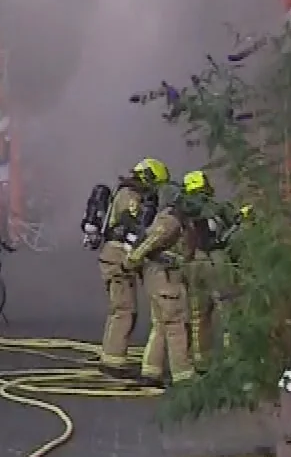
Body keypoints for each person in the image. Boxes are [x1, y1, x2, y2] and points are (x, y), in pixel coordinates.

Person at [95, 157, 169, 377]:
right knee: (124, 310)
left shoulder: (127, 193)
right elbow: (133, 225)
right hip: (117, 255)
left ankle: (112, 358)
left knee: (123, 309)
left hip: (116, 255)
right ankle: (112, 363)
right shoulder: (129, 196)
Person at [125, 172, 195, 387]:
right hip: (165, 277)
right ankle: (183, 376)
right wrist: (132, 260)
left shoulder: (173, 218)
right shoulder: (172, 220)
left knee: (161, 325)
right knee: (176, 324)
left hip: (160, 276)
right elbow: (151, 240)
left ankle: (151, 371)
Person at [176, 170, 237, 365]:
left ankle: (202, 361)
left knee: (198, 314)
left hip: (194, 262)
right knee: (228, 311)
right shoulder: (218, 207)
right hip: (218, 259)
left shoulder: (182, 211)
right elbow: (233, 228)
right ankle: (232, 358)